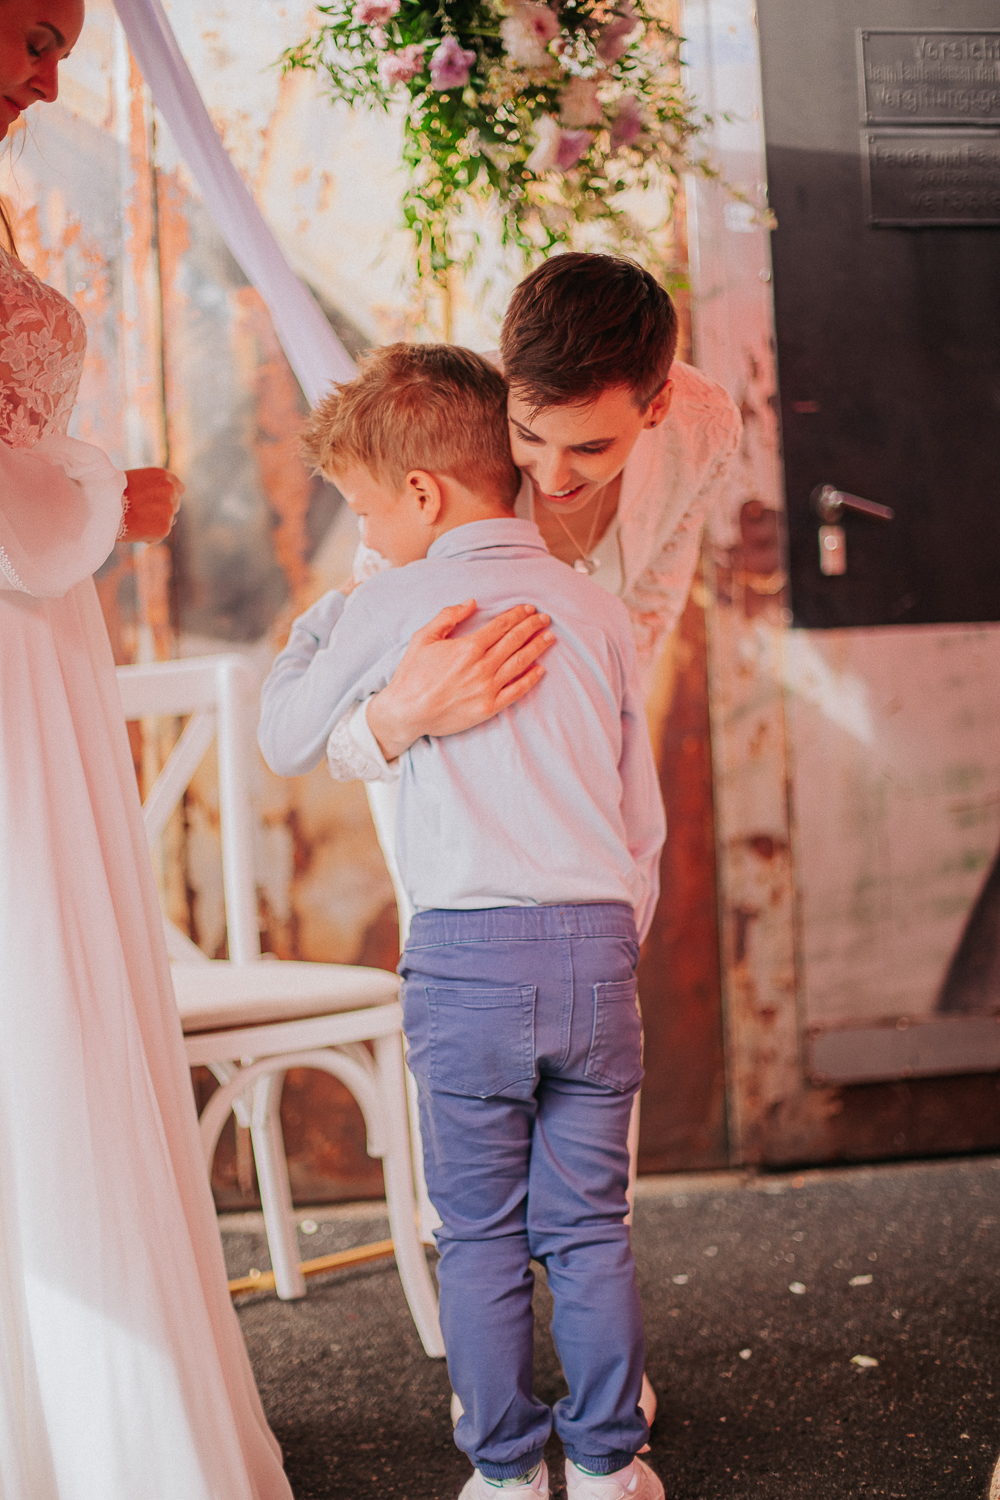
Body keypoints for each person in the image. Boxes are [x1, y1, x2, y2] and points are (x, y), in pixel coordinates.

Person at [258, 342, 667, 1500]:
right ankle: (606, 1468)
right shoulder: (594, 608)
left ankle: (501, 1475)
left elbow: (286, 736)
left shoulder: (388, 600)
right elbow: (643, 822)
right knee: (590, 1229)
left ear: (424, 495)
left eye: (365, 510)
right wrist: (607, 936)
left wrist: (329, 617)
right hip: (595, 950)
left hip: (465, 964)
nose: (368, 535)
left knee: (479, 1232)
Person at [0, 3, 293, 1495]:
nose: (51, 78)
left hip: (38, 641)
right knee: (31, 985)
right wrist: (110, 500)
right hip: (12, 638)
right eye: (37, 37)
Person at [324, 252, 741, 778]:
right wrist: (403, 716)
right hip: (434, 776)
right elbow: (336, 730)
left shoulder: (704, 431)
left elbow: (649, 617)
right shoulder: (439, 432)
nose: (551, 479)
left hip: (581, 768)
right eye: (527, 436)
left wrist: (599, 762)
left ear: (656, 407)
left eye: (590, 448)